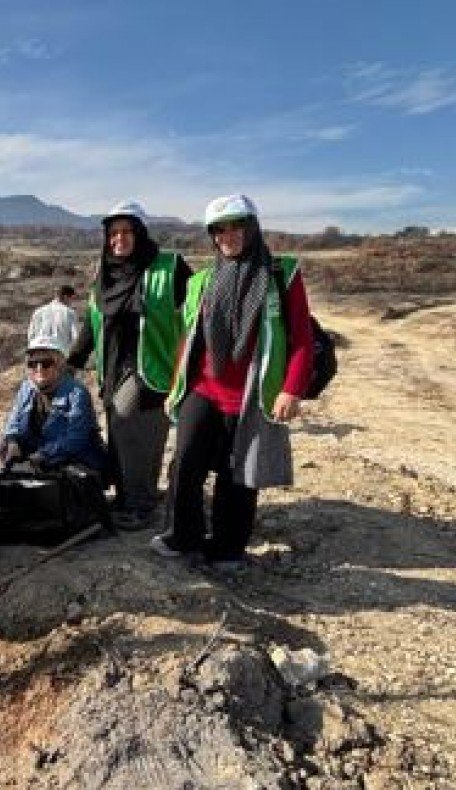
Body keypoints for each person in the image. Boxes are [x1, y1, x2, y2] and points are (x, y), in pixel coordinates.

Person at [151, 194, 314, 567]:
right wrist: (177, 384)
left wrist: (291, 389)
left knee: (238, 471)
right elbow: (188, 338)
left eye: (237, 225)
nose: (229, 235)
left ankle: (227, 548)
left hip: (253, 394)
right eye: (219, 230)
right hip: (205, 388)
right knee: (185, 462)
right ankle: (182, 537)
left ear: (252, 227)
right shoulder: (202, 281)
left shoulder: (280, 274)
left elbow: (301, 338)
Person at [67, 200, 194, 531]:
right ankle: (128, 497)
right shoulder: (105, 273)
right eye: (113, 233)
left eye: (126, 231)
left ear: (140, 233)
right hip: (113, 369)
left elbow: (196, 313)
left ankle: (141, 505)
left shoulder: (170, 267)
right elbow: (91, 322)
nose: (118, 239)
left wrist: (191, 369)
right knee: (122, 436)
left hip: (152, 368)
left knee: (134, 431)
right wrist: (74, 361)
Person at [0, 333, 106, 474]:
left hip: (74, 458)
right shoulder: (26, 388)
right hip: (36, 454)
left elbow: (76, 438)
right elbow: (13, 419)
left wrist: (41, 456)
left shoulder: (77, 392)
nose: (39, 369)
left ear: (58, 364)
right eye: (32, 364)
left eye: (46, 363)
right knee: (3, 444)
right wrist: (12, 441)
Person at [27, 283, 79, 357]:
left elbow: (31, 335)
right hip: (57, 352)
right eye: (72, 299)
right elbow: (75, 337)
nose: (71, 302)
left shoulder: (38, 311)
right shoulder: (69, 313)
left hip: (36, 350)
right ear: (66, 297)